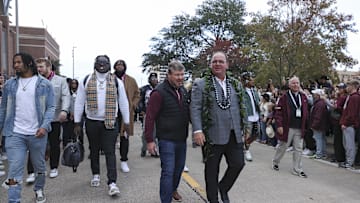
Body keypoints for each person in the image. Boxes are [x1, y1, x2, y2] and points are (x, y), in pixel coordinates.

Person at [191, 51, 247, 203]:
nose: (217, 64)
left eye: (221, 61)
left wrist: (245, 129)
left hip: (233, 133)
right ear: (210, 65)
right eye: (214, 61)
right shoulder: (201, 84)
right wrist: (197, 130)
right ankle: (213, 199)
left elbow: (242, 107)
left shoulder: (235, 84)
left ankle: (223, 188)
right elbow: (195, 108)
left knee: (238, 164)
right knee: (211, 171)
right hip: (212, 135)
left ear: (227, 65)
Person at [0, 53, 55, 203]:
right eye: (14, 62)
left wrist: (44, 127)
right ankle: (14, 200)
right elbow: (3, 109)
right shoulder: (9, 85)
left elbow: (50, 108)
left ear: (29, 63)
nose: (15, 65)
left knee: (39, 167)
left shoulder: (44, 84)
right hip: (14, 133)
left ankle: (39, 189)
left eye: (18, 62)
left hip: (37, 134)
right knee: (14, 170)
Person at [74, 55, 130, 196]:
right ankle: (96, 174)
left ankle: (112, 183)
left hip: (110, 122)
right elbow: (79, 102)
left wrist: (127, 122)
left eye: (105, 63)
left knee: (110, 151)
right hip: (92, 121)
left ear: (109, 64)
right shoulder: (85, 80)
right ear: (95, 64)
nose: (102, 65)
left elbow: (123, 103)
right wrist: (77, 122)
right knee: (93, 150)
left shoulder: (117, 82)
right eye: (99, 62)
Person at [145, 60, 190, 203]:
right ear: (168, 75)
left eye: (182, 75)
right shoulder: (158, 93)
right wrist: (150, 140)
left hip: (181, 138)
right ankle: (166, 199)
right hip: (166, 139)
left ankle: (173, 189)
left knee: (179, 169)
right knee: (168, 171)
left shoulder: (182, 90)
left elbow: (187, 112)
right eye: (177, 75)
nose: (180, 78)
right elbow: (150, 117)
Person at [31, 57, 70, 179]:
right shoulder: (34, 80)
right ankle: (33, 170)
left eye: (41, 66)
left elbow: (66, 96)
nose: (38, 69)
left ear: (49, 67)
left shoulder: (61, 81)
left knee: (54, 143)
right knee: (36, 144)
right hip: (38, 119)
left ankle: (54, 167)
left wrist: (64, 111)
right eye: (37, 67)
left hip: (55, 118)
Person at [272, 76, 309, 178]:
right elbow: (278, 112)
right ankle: (276, 161)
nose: (295, 85)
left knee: (298, 148)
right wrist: (279, 125)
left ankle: (297, 169)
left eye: (297, 83)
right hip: (287, 127)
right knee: (283, 146)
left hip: (299, 127)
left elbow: (306, 111)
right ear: (289, 85)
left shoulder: (303, 97)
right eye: (293, 83)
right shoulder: (284, 97)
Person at [113, 59, 140, 173]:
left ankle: (124, 160)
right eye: (118, 65)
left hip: (126, 112)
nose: (120, 66)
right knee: (111, 137)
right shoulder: (109, 78)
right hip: (112, 112)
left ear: (125, 67)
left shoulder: (131, 80)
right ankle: (111, 160)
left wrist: (133, 105)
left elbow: (137, 94)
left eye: (122, 65)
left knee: (125, 136)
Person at [339, 80, 360, 168]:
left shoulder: (355, 97)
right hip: (346, 123)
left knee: (349, 144)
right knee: (346, 144)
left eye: (348, 86)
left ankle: (350, 162)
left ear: (353, 86)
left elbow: (352, 113)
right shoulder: (350, 97)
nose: (347, 88)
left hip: (349, 124)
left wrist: (346, 123)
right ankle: (348, 160)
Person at [241, 72, 260, 161]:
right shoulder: (242, 91)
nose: (253, 81)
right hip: (248, 116)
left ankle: (245, 145)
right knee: (247, 134)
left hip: (256, 115)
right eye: (251, 80)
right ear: (247, 81)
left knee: (257, 133)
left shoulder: (254, 91)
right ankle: (247, 150)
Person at [139, 72, 159, 157]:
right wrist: (141, 110)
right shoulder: (144, 89)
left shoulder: (160, 89)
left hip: (158, 113)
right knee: (146, 132)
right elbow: (140, 101)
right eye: (152, 79)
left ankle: (154, 150)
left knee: (156, 133)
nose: (154, 80)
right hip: (147, 112)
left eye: (155, 79)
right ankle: (144, 148)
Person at [309, 89, 330, 159]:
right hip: (322, 125)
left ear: (318, 95)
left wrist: (314, 125)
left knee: (318, 139)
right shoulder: (321, 103)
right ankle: (323, 153)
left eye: (315, 94)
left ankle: (319, 153)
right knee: (322, 139)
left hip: (319, 125)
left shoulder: (319, 104)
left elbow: (318, 116)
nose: (313, 95)